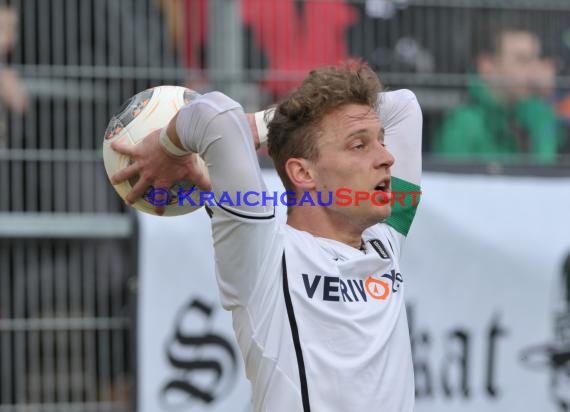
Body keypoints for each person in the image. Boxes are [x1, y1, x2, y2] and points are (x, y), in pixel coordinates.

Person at [111, 61, 422, 411]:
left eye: (380, 140)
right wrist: (168, 146)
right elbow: (216, 115)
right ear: (303, 172)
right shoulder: (264, 252)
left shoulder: (386, 240)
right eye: (359, 145)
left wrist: (260, 127)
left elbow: (405, 106)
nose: (387, 157)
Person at [433, 19, 560, 163]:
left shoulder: (538, 115)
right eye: (522, 60)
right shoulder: (463, 125)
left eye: (536, 59)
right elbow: (451, 182)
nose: (534, 72)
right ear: (487, 66)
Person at [0, 2, 27, 148]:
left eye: (13, 28)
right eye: (2, 28)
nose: (9, 35)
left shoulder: (9, 69)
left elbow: (21, 105)